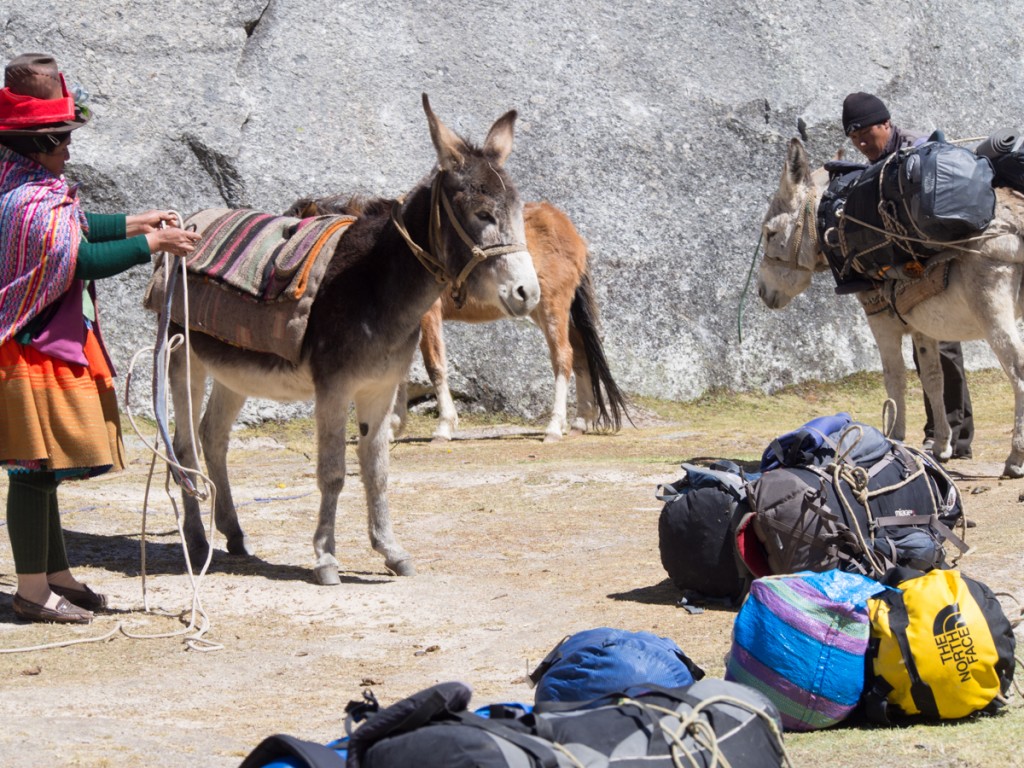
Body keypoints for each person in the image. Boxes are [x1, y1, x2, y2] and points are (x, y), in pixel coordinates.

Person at [0, 53, 201, 624]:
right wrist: (153, 247)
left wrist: (139, 222)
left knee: (48, 470)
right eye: (60, 137)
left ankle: (53, 573)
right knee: (32, 472)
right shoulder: (27, 200)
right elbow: (78, 257)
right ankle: (31, 593)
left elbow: (80, 226)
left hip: (43, 341)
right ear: (35, 141)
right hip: (24, 346)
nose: (69, 146)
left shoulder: (28, 180)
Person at [840, 92, 973, 459]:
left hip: (945, 262)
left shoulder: (918, 150)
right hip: (911, 270)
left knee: (944, 347)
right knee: (925, 352)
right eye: (855, 139)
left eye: (867, 133)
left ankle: (956, 439)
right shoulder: (877, 163)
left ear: (886, 124)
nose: (863, 143)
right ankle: (938, 432)